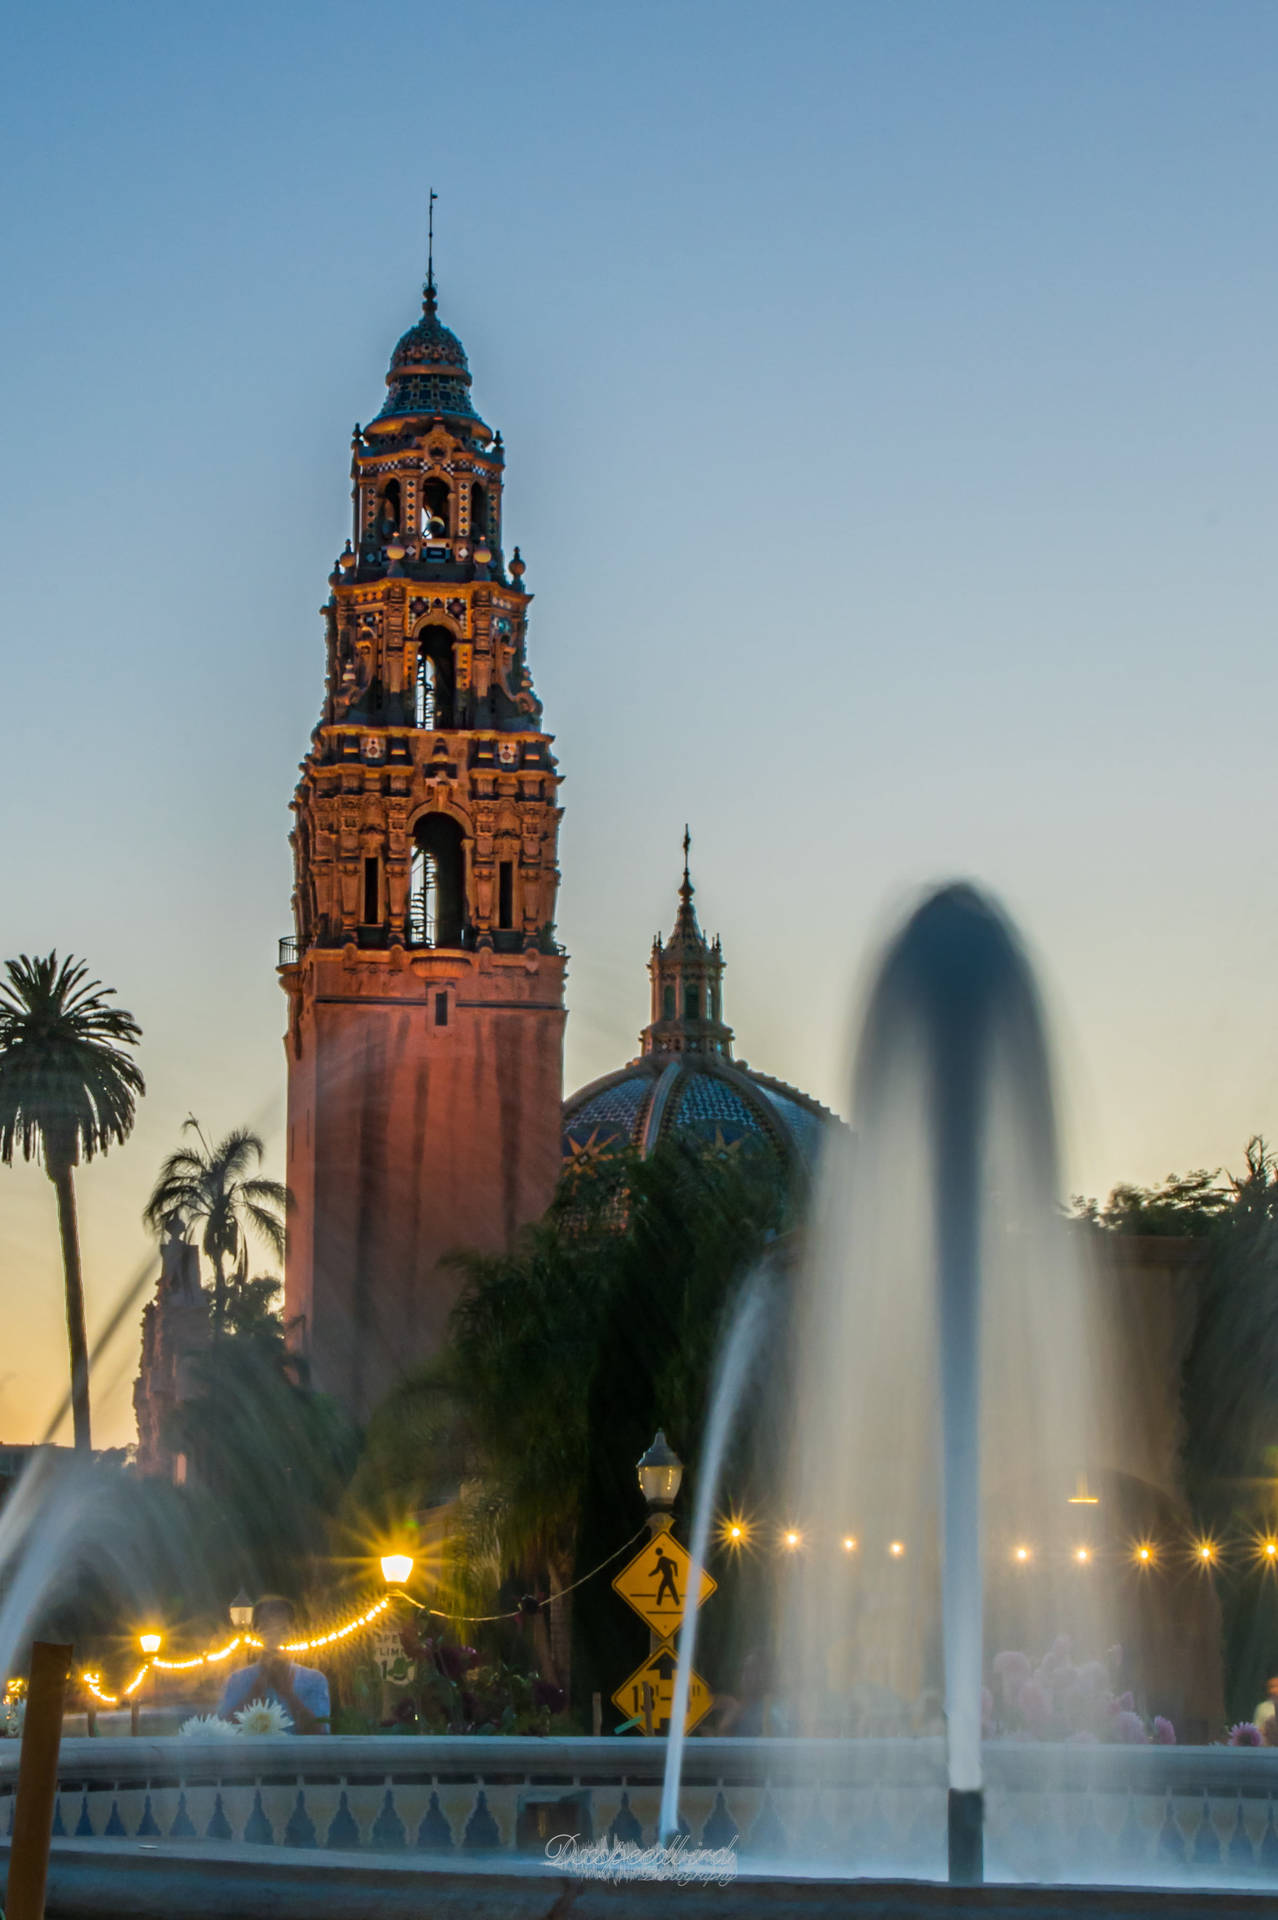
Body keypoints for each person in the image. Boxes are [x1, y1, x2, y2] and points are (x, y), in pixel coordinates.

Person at [217, 1596, 330, 1734]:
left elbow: (321, 1734)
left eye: (282, 1629)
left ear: (294, 1632)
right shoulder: (236, 1680)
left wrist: (288, 1693)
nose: (274, 1635)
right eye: (266, 1628)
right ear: (255, 1633)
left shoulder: (313, 1680)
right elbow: (222, 1730)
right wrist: (255, 1691)